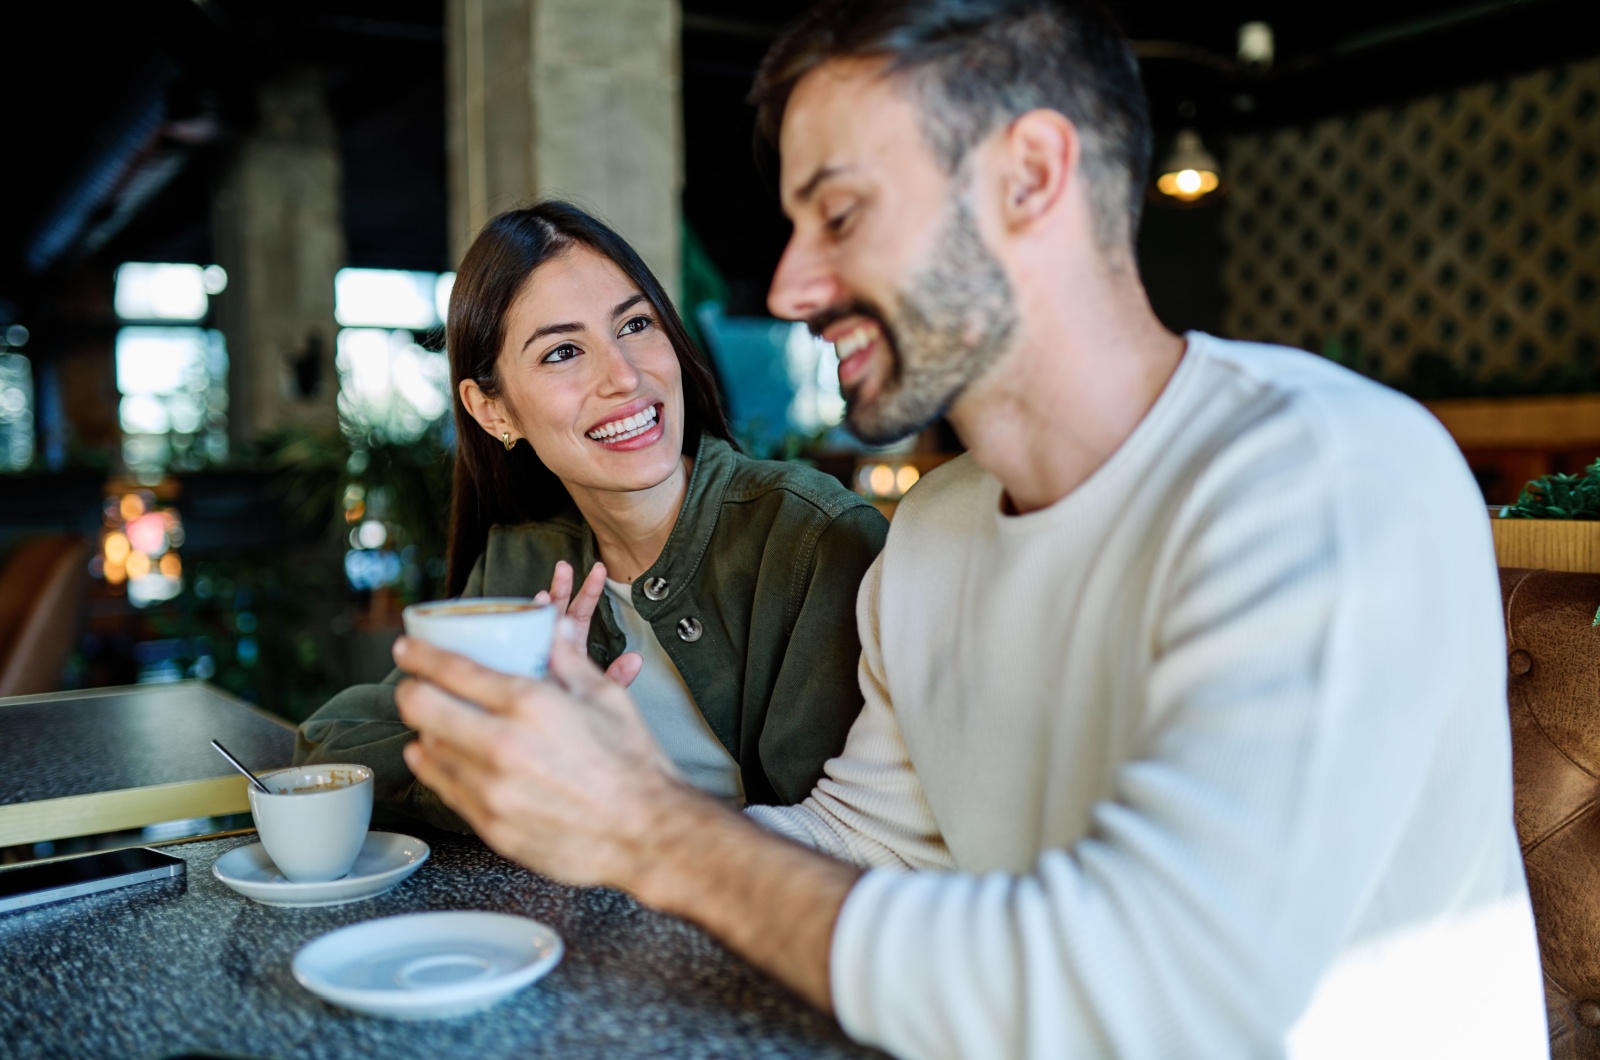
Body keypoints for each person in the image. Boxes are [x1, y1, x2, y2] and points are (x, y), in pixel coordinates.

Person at [387, 2, 1548, 1056]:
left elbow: (1159, 991)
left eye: (838, 213)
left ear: (1030, 175)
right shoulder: (936, 535)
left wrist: (652, 834)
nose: (789, 286)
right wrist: (621, 786)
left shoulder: (1322, 478)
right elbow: (865, 841)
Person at [296, 201, 887, 824]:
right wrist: (511, 751)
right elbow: (330, 741)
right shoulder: (520, 564)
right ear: (493, 411)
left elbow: (852, 846)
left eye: (634, 326)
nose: (625, 377)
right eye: (562, 353)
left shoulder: (815, 543)